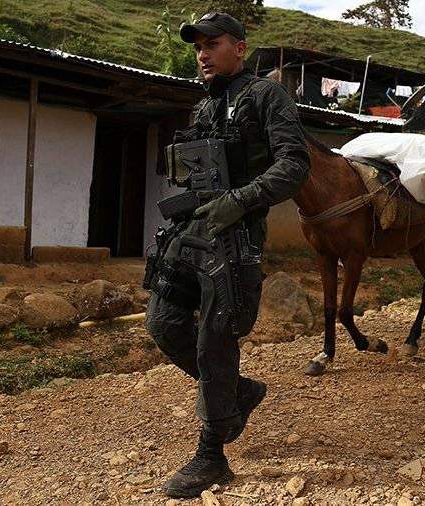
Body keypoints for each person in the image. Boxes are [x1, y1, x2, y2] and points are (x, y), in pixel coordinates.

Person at [143, 12, 310, 498]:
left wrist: (242, 198)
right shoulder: (203, 107)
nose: (202, 54)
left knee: (215, 341)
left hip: (234, 239)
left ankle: (211, 454)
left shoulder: (266, 97)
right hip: (191, 229)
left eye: (212, 44)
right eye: (198, 46)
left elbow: (294, 163)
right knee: (163, 323)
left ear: (239, 48)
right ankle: (240, 392)